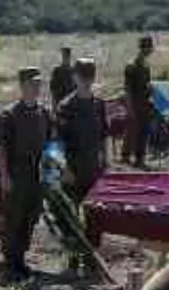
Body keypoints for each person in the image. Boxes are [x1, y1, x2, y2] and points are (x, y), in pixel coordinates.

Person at [0, 67, 54, 280]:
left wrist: (52, 174)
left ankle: (20, 257)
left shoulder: (44, 113)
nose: (36, 88)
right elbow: (1, 147)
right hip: (17, 172)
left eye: (38, 84)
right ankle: (11, 262)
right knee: (15, 217)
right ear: (22, 85)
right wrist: (4, 175)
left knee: (31, 215)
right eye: (32, 84)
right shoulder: (9, 114)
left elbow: (51, 144)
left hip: (38, 172)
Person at [57, 59, 109, 201]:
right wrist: (65, 169)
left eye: (90, 77)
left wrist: (105, 160)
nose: (86, 81)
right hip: (73, 169)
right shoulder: (66, 107)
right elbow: (58, 141)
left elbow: (103, 135)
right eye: (82, 77)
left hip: (93, 167)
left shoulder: (99, 105)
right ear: (75, 77)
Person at [123, 36, 156, 169]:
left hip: (145, 103)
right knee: (132, 131)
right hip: (135, 104)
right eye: (148, 47)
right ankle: (125, 157)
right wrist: (130, 108)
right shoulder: (132, 66)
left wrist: (151, 91)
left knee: (143, 132)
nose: (150, 50)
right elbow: (128, 90)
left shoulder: (146, 66)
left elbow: (146, 85)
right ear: (143, 48)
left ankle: (140, 158)